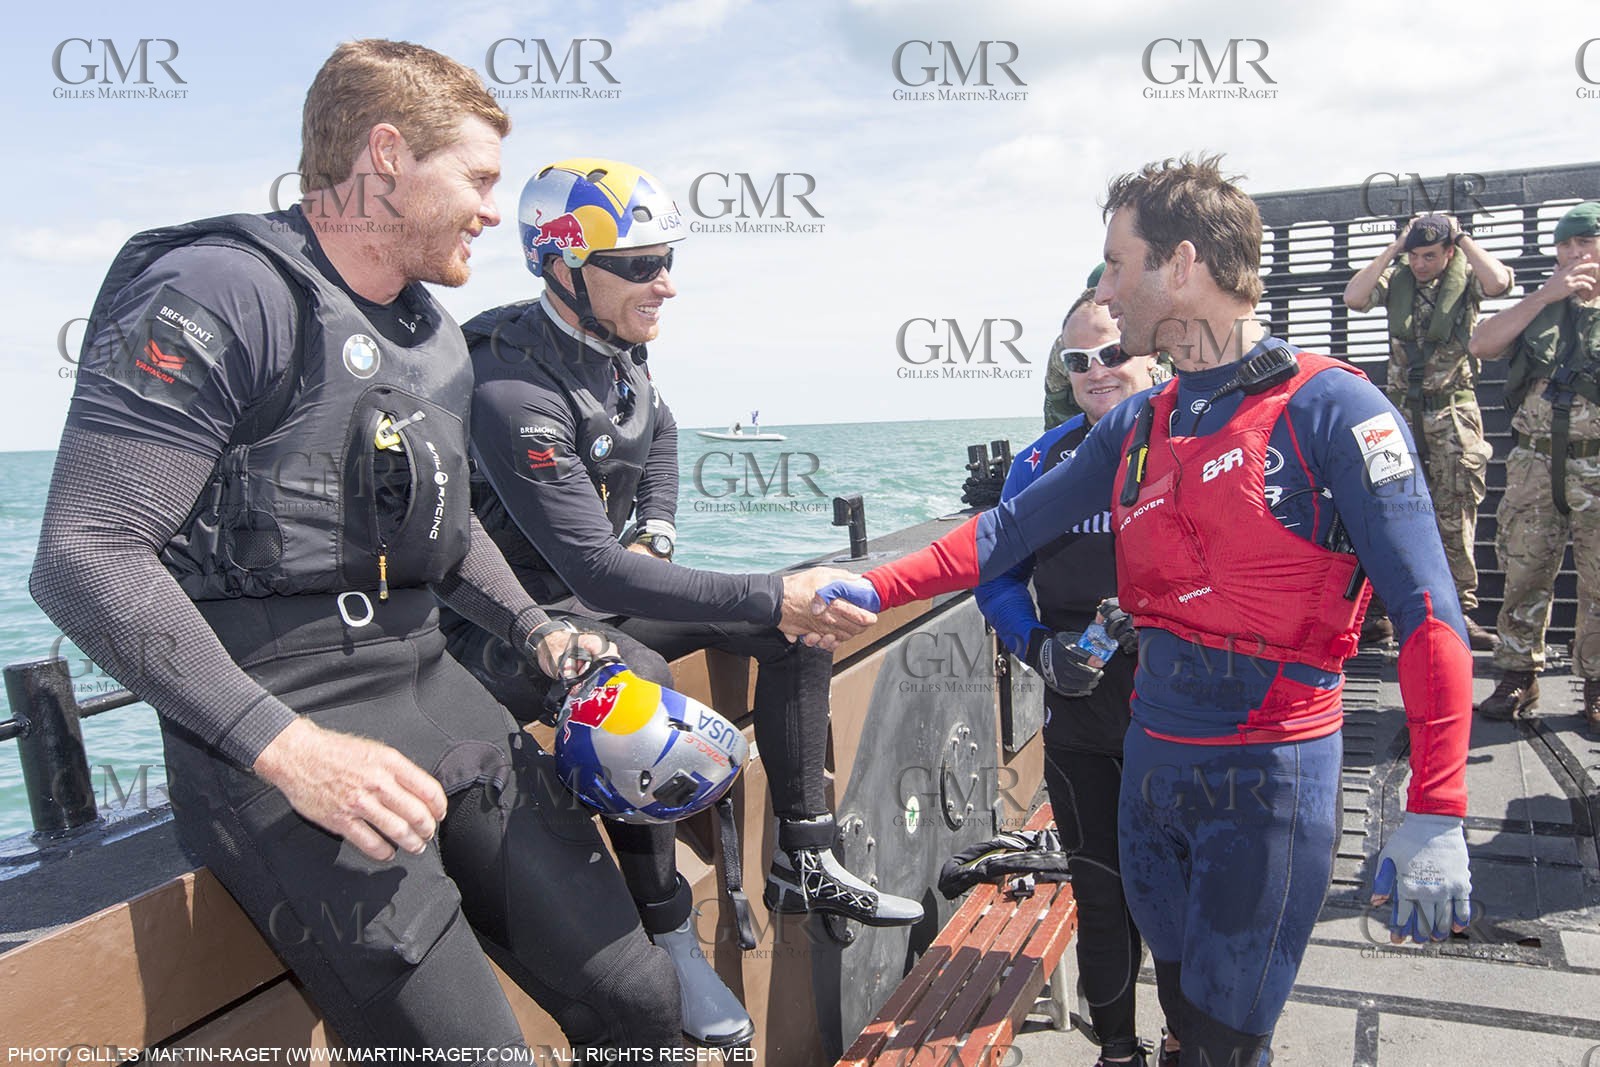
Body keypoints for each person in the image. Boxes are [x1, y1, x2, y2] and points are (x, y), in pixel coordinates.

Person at [28, 41, 703, 1057]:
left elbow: (441, 515)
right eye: (477, 179)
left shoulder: (432, 334)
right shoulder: (222, 286)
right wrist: (290, 749)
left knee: (642, 1003)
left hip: (430, 684)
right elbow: (86, 550)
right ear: (386, 154)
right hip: (272, 724)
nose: (491, 210)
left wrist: (532, 626)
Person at [814, 155, 1474, 1067]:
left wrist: (1437, 805)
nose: (1106, 293)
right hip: (1151, 773)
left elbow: (1432, 615)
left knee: (1222, 1046)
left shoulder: (1335, 412)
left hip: (1268, 780)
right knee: (1181, 1021)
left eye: (1118, 266)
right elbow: (1006, 530)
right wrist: (875, 586)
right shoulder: (1138, 424)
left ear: (1184, 265)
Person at [442, 159, 920, 1043]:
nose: (665, 281)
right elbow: (592, 570)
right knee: (647, 679)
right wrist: (771, 587)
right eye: (639, 262)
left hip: (594, 595)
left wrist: (658, 532)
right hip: (505, 625)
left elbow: (656, 427)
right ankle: (671, 937)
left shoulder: (613, 345)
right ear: (561, 265)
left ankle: (804, 858)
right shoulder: (509, 385)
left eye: (669, 257)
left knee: (797, 631)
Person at [975, 290, 1177, 1066]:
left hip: (1180, 714)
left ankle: (1187, 1039)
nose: (1097, 371)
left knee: (1178, 893)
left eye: (1113, 354)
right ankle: (1118, 1049)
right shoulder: (1041, 461)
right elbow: (995, 575)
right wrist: (1038, 648)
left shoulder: (1197, 448)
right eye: (1077, 360)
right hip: (1081, 712)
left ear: (1154, 355)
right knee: (1099, 891)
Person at [1344, 213, 1514, 651]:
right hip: (1399, 416)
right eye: (1416, 255)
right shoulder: (1399, 279)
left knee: (1455, 515)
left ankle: (1459, 610)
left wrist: (1464, 239)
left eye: (1431, 255)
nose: (1421, 264)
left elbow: (1497, 283)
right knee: (1390, 508)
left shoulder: (1464, 280)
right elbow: (1354, 296)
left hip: (1452, 414)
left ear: (1448, 253)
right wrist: (1393, 249)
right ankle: (1382, 611)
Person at [1468, 201, 1600, 729]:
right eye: (1565, 246)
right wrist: (1548, 294)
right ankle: (1518, 674)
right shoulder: (1544, 304)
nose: (1573, 255)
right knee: (1524, 570)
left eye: (1584, 244)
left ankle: (1596, 681)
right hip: (1535, 463)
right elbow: (1482, 343)